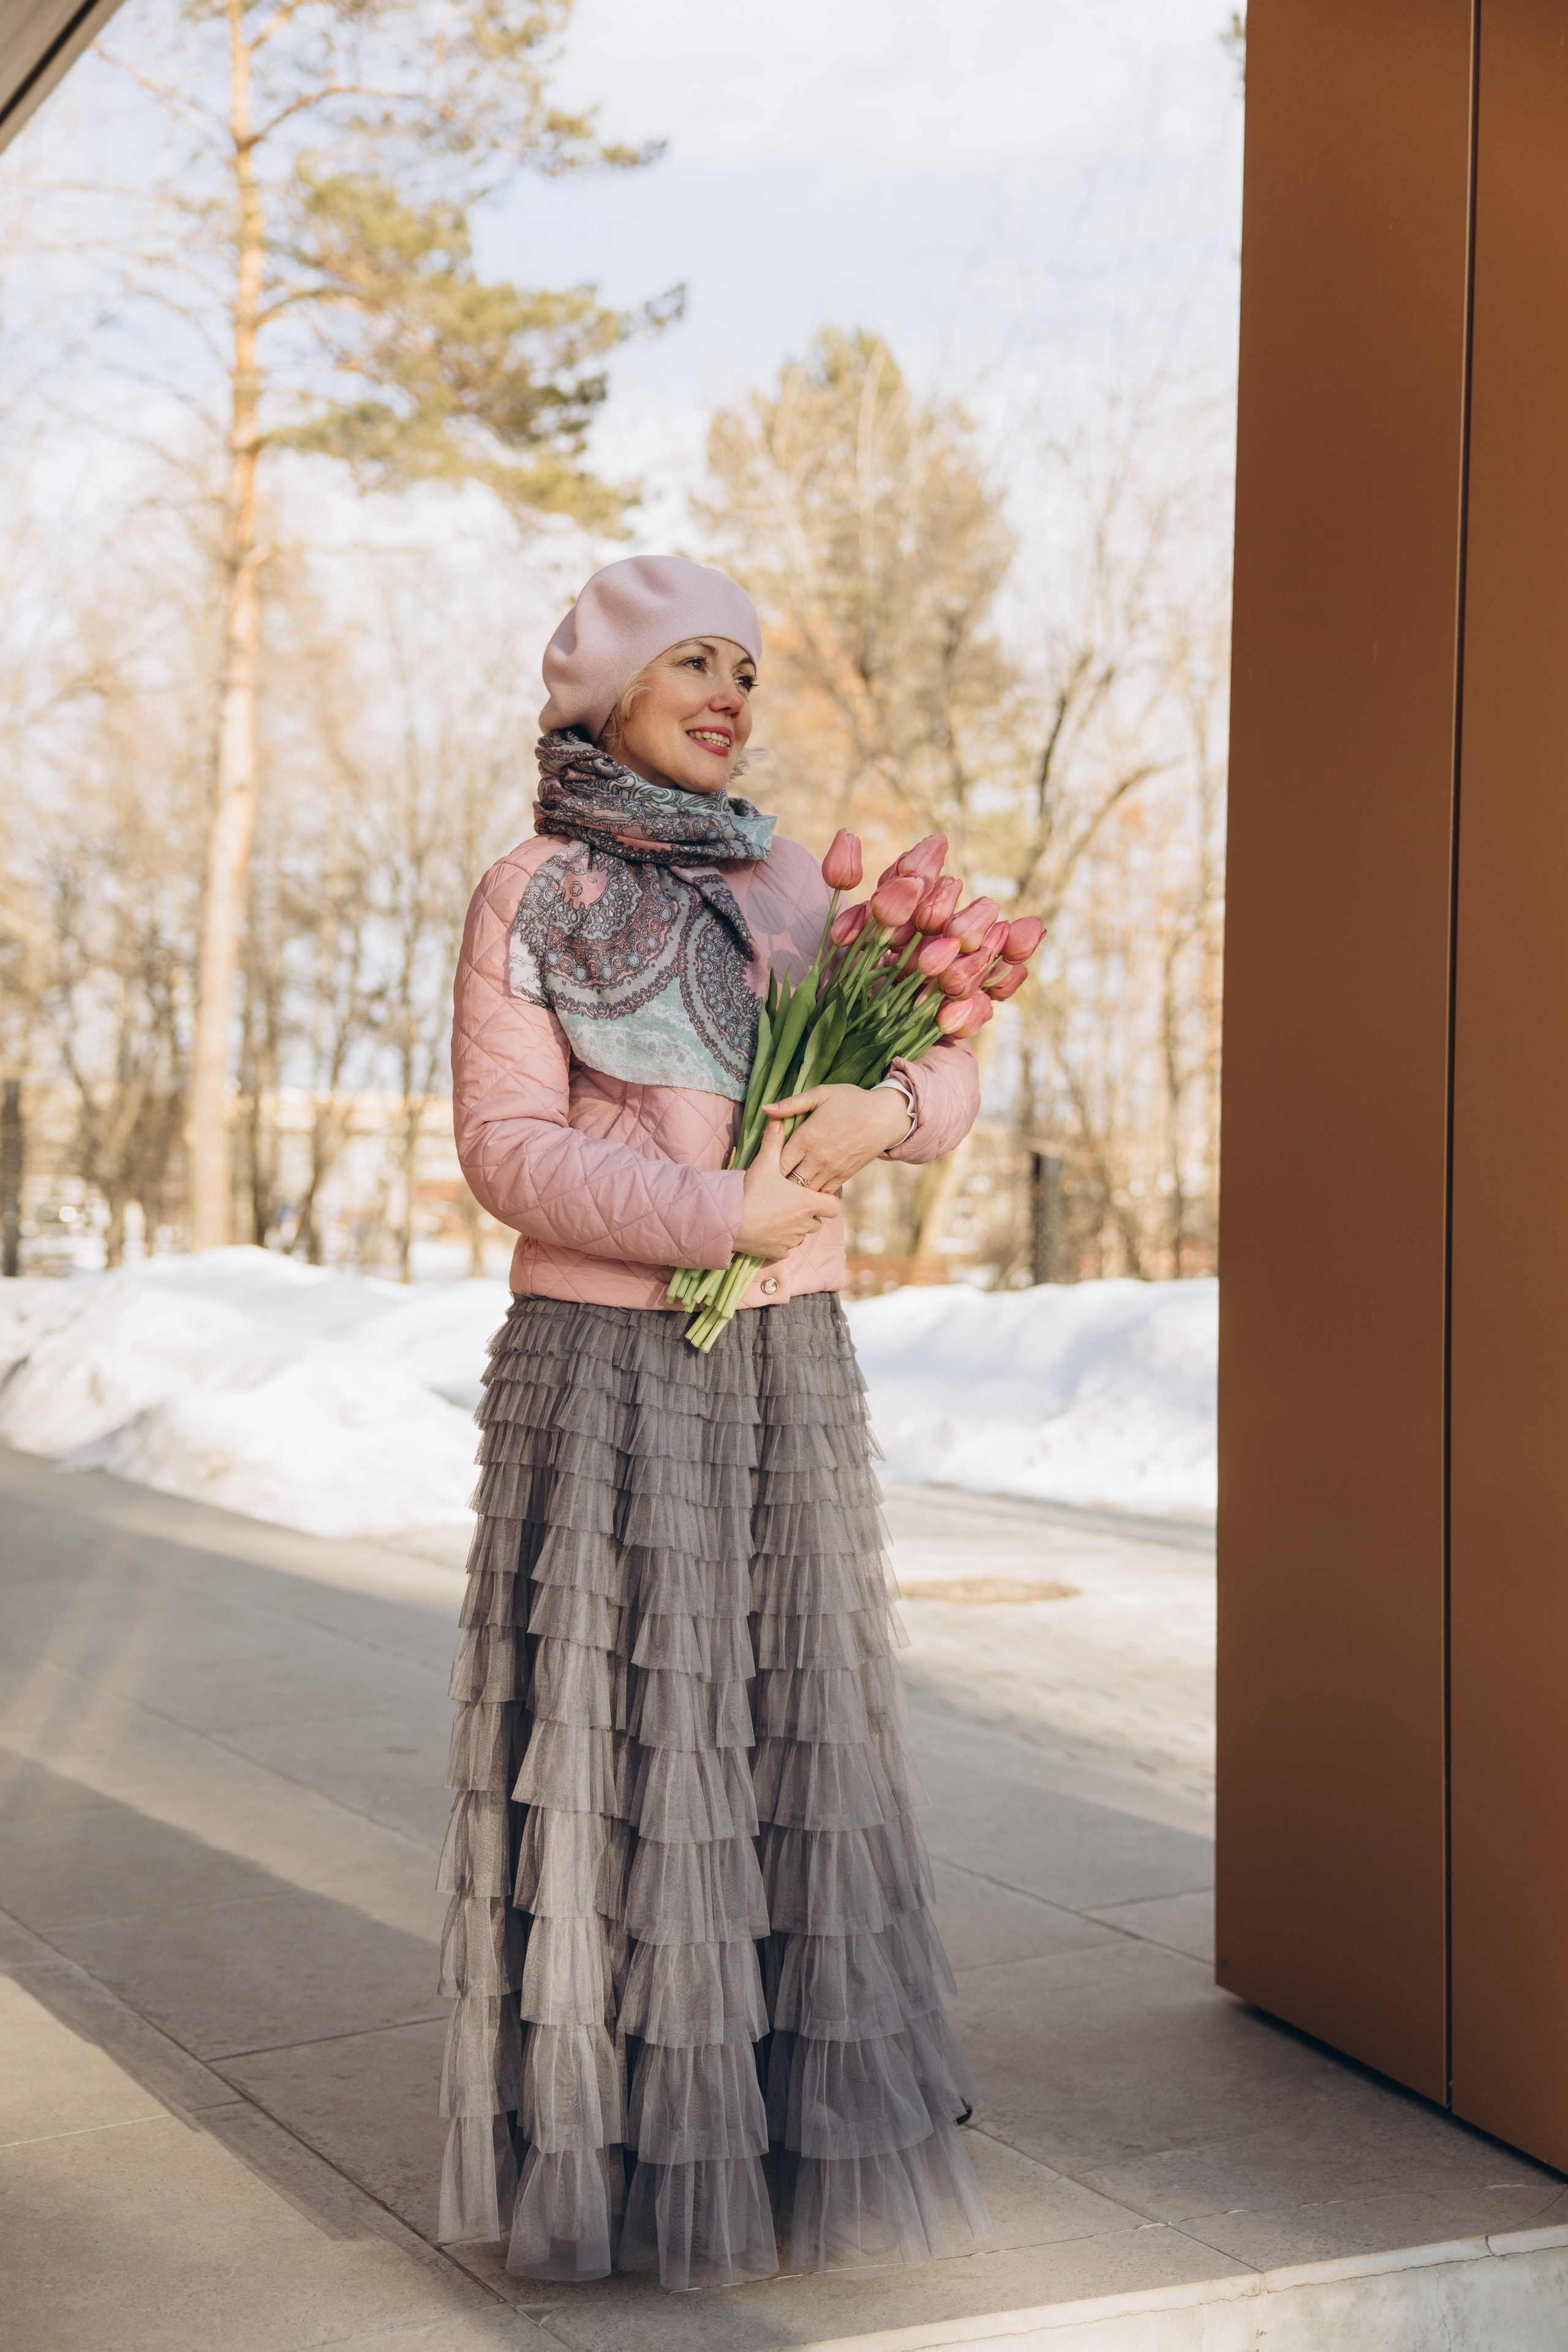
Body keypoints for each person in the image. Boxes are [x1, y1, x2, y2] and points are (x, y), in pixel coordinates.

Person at [437, 554, 991, 2293]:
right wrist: (713, 1221)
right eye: (694, 661)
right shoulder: (530, 887)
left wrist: (888, 1109)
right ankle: (628, 2143)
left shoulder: (779, 873)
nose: (733, 693)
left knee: (790, 1732)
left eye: (746, 666)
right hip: (608, 1370)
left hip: (787, 1364)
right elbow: (505, 1152)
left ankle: (785, 2121)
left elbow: (952, 1051)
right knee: (627, 1750)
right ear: (601, 689)